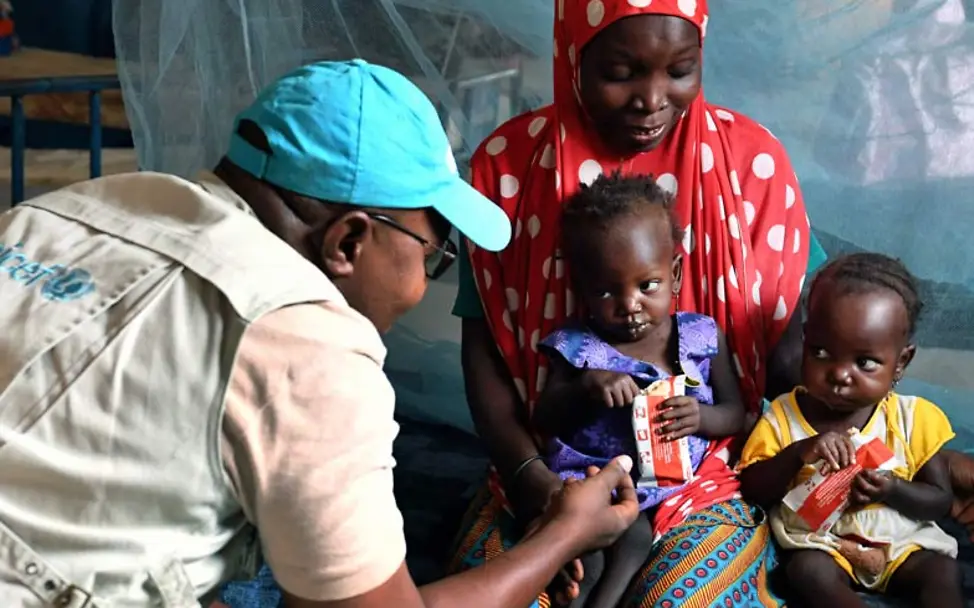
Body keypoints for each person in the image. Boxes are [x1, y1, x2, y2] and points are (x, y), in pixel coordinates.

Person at [0, 59, 645, 608]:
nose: (423, 285)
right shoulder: (307, 348)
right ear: (349, 240)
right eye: (432, 254)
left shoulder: (59, 213)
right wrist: (562, 534)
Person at [446, 1, 827, 606]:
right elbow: (486, 350)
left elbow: (789, 344)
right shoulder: (509, 167)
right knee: (518, 595)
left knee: (683, 599)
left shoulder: (751, 166)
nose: (652, 99)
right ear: (574, 55)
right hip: (552, 471)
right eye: (622, 72)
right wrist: (531, 482)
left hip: (704, 479)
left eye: (680, 69)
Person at [531, 172, 747, 607]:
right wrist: (586, 389)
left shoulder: (702, 336)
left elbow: (737, 412)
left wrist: (701, 418)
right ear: (581, 290)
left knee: (636, 539)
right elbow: (543, 418)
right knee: (586, 558)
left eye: (648, 286)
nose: (629, 305)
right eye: (606, 291)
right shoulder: (577, 348)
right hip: (592, 480)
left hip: (672, 487)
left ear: (676, 273)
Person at [739, 253, 962, 608]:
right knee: (805, 572)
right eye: (822, 352)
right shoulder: (783, 416)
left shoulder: (912, 419)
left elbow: (939, 501)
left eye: (865, 362)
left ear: (901, 362)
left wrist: (892, 489)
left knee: (943, 574)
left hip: (902, 545)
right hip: (824, 546)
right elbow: (752, 488)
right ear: (804, 340)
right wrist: (800, 452)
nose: (840, 374)